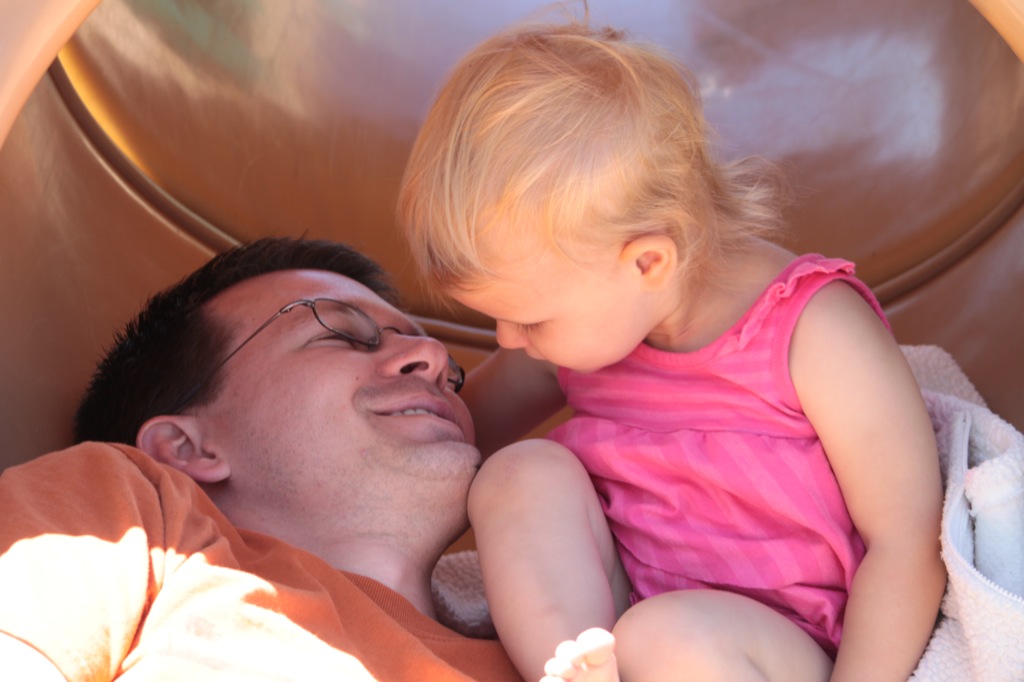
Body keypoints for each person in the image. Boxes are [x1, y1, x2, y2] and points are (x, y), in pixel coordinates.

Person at [397, 16, 947, 682]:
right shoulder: (587, 323)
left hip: (777, 648)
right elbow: (452, 448)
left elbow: (907, 540)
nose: (508, 341)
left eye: (530, 320)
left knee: (665, 635)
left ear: (648, 263)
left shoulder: (816, 332)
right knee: (516, 475)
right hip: (624, 623)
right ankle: (574, 672)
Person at [0, 237, 522, 681]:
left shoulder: (546, 638)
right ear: (186, 448)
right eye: (342, 335)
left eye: (452, 375)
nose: (433, 356)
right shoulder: (128, 520)